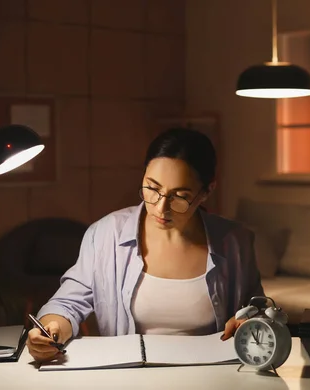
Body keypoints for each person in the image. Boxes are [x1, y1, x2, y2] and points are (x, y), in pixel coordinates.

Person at [26, 127, 264, 362]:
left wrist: (252, 322)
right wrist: (51, 329)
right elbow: (68, 303)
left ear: (207, 191)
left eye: (179, 196)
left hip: (212, 378)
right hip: (129, 378)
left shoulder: (235, 242)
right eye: (152, 188)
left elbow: (258, 311)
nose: (161, 208)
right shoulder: (106, 234)